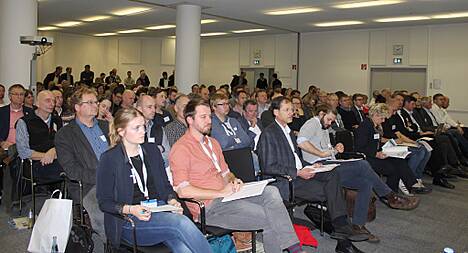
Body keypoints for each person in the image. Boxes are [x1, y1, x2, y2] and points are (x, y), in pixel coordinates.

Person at [170, 99, 306, 253]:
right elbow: (183, 191)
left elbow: (226, 173)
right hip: (209, 207)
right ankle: (295, 249)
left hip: (229, 196)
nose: (209, 121)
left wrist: (234, 180)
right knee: (269, 216)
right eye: (203, 117)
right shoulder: (181, 148)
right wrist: (220, 193)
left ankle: (293, 248)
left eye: (209, 116)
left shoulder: (213, 143)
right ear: (190, 120)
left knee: (271, 191)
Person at [256, 97, 369, 253]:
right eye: (287, 110)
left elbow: (297, 160)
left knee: (332, 173)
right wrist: (298, 172)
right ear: (276, 112)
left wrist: (311, 166)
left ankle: (342, 230)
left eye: (292, 109)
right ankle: (343, 235)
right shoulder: (269, 134)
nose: (292, 112)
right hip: (285, 182)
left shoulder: (288, 132)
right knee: (332, 192)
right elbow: (268, 166)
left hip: (300, 173)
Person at [297, 104, 419, 242]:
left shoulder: (323, 127)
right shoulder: (312, 123)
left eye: (332, 121)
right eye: (329, 119)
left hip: (329, 165)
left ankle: (358, 225)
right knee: (362, 164)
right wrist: (321, 153)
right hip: (319, 167)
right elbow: (301, 141)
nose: (330, 123)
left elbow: (325, 149)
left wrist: (335, 148)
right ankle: (389, 196)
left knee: (365, 183)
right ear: (320, 114)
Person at [96, 107, 211, 252]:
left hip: (159, 211)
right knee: (180, 223)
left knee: (183, 248)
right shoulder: (110, 158)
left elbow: (165, 185)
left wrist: (172, 200)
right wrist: (131, 209)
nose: (143, 131)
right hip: (129, 220)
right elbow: (104, 202)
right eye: (136, 128)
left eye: (143, 126)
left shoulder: (151, 150)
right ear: (121, 131)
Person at [355, 103, 425, 195]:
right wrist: (376, 154)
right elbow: (360, 147)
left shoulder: (374, 126)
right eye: (382, 118)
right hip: (368, 157)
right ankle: (391, 193)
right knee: (393, 169)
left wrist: (388, 149)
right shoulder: (365, 126)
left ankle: (411, 185)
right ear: (375, 115)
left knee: (399, 160)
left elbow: (376, 142)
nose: (383, 121)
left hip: (377, 153)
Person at [16, 90, 63, 181]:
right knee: (68, 169)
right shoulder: (24, 122)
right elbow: (23, 152)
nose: (52, 104)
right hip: (34, 163)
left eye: (53, 101)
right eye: (47, 100)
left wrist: (53, 151)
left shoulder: (56, 120)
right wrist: (46, 156)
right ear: (37, 103)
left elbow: (62, 143)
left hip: (56, 159)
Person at [135, 95, 170, 164]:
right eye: (149, 107)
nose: (154, 110)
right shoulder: (132, 129)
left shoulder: (159, 129)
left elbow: (167, 155)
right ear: (139, 109)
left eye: (154, 107)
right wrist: (157, 151)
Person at [0, 84, 33, 150]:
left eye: (21, 94)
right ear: (10, 96)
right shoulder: (2, 112)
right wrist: (1, 142)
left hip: (26, 148)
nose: (19, 97)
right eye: (16, 94)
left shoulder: (30, 112)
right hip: (6, 148)